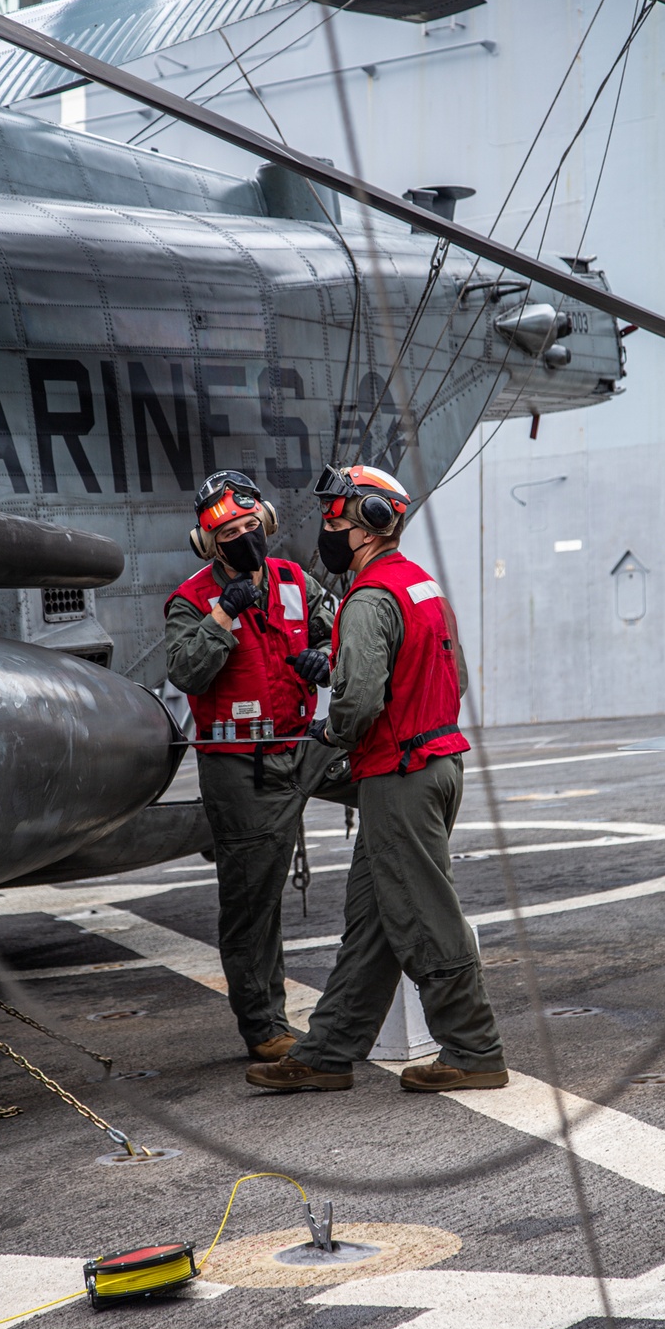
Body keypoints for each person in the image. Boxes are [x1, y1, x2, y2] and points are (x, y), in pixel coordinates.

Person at [246, 463, 507, 1094]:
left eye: (338, 514)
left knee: (423, 916)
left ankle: (474, 1051)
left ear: (372, 520)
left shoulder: (368, 597)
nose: (328, 526)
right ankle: (328, 1052)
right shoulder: (421, 588)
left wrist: (332, 733)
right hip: (437, 764)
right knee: (372, 922)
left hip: (401, 776)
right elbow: (457, 679)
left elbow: (359, 700)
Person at [164, 470, 335, 1062]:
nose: (242, 538)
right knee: (252, 900)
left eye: (248, 526)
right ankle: (264, 1027)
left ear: (265, 523)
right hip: (240, 765)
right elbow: (185, 672)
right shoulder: (191, 602)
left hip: (300, 747)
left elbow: (344, 633)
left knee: (394, 793)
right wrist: (222, 618)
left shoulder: (294, 581)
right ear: (209, 543)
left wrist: (327, 661)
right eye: (228, 532)